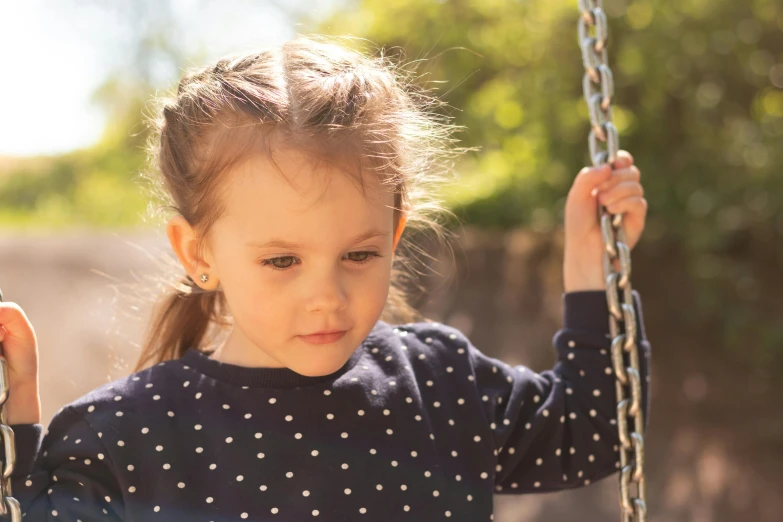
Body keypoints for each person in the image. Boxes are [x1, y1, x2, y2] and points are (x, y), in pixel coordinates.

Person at [0, 34, 650, 521]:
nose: (326, 297)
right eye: (282, 261)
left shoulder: (439, 383)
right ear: (197, 253)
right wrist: (13, 417)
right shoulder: (130, 434)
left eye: (358, 255)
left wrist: (592, 272)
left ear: (393, 235)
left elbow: (594, 433)